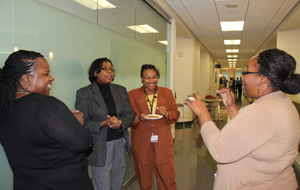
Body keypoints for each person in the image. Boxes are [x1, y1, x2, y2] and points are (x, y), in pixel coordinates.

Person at [185, 48, 300, 189]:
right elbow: (250, 134)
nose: (243, 77)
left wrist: (202, 112)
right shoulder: (282, 102)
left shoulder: (263, 110)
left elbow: (220, 150)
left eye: (246, 72)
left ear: (263, 80)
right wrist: (232, 107)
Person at [0, 50, 93, 190]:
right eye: (45, 74)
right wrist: (78, 124)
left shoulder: (4, 110)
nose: (51, 78)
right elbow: (83, 144)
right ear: (26, 79)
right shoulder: (46, 105)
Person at [75, 57, 134, 190]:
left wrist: (120, 122)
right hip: (100, 144)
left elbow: (129, 115)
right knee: (102, 184)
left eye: (111, 69)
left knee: (118, 181)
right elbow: (82, 122)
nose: (109, 72)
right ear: (95, 72)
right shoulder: (84, 93)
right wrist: (104, 123)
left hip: (120, 140)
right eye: (105, 69)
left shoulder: (120, 90)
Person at [128, 64, 180, 190]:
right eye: (147, 78)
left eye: (154, 77)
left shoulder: (167, 93)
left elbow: (176, 114)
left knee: (166, 172)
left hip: (162, 137)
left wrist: (166, 113)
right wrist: (139, 117)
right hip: (141, 139)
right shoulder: (132, 95)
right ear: (141, 78)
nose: (151, 81)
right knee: (143, 171)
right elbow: (128, 118)